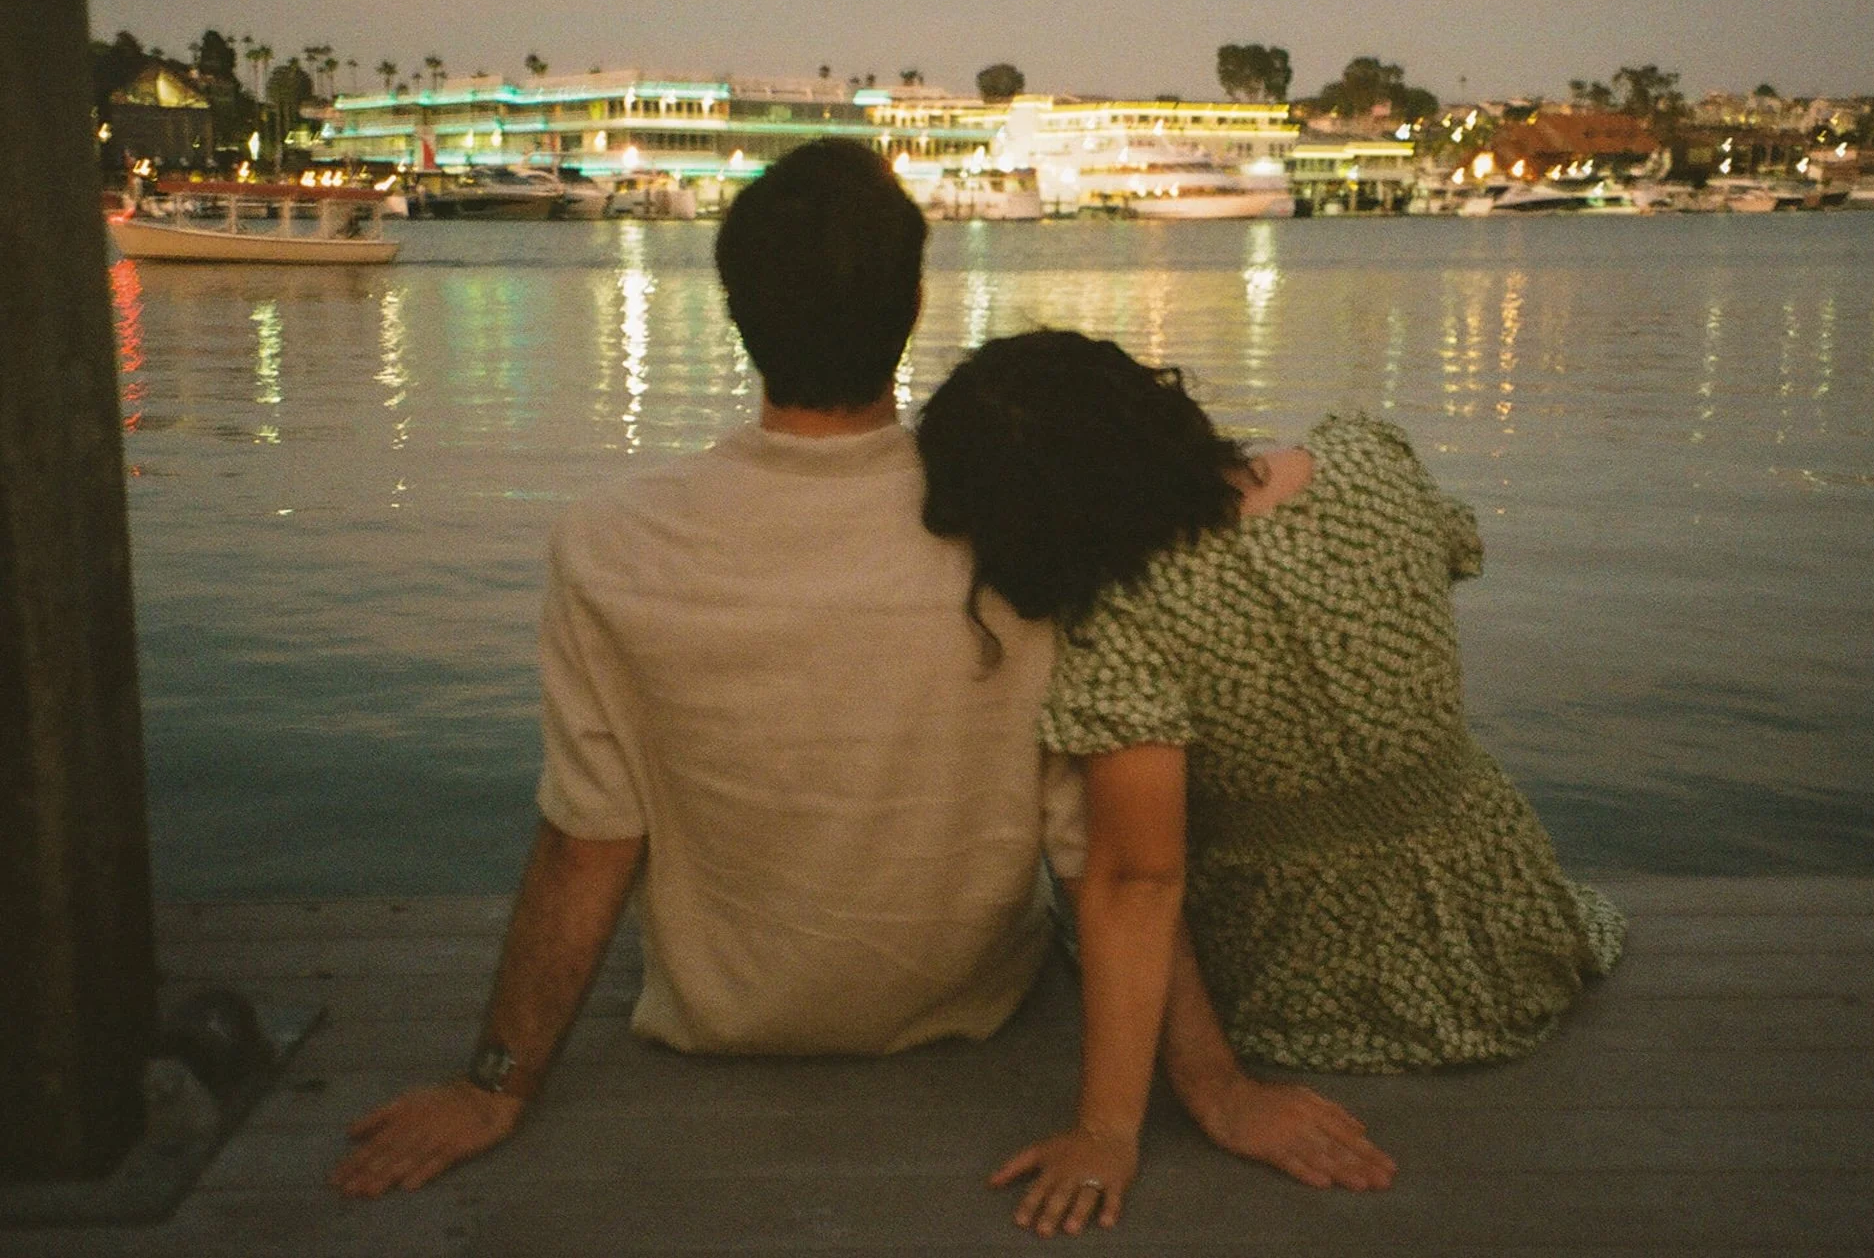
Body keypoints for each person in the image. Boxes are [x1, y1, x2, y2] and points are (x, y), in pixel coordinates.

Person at [328, 145, 1393, 1215]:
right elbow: (1105, 860)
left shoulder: (610, 544)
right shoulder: (1010, 531)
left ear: (738, 311)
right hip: (974, 1003)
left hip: (722, 1025)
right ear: (912, 302)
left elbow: (585, 841)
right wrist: (1216, 1084)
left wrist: (492, 1085)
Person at [917, 329, 1627, 1236]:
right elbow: (1453, 551)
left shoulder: (1131, 620)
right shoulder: (1366, 459)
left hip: (1320, 974)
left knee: (1093, 851)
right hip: (1506, 917)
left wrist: (1112, 1129)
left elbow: (1140, 881)